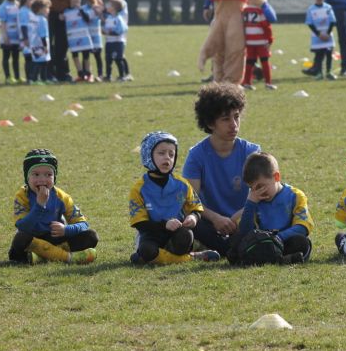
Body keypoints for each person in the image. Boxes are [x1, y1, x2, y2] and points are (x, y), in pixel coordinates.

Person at [183, 83, 261, 256]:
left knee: (267, 212)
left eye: (236, 116)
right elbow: (189, 201)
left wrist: (241, 216)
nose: (234, 124)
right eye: (226, 119)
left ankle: (222, 248)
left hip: (245, 220)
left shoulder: (252, 152)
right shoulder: (196, 156)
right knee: (189, 222)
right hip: (210, 223)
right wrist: (216, 218)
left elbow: (265, 192)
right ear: (210, 123)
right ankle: (232, 247)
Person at [129, 132, 221, 265]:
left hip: (176, 233)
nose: (167, 158)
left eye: (171, 154)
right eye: (161, 153)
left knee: (186, 235)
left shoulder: (182, 184)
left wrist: (193, 217)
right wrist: (165, 224)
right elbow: (140, 224)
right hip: (151, 234)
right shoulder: (138, 189)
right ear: (148, 155)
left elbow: (195, 207)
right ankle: (192, 257)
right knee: (147, 249)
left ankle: (152, 258)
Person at [9, 149, 99, 265]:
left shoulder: (61, 197)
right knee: (20, 238)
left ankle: (42, 257)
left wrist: (66, 230)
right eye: (36, 174)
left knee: (91, 236)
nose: (42, 179)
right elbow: (23, 226)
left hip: (54, 238)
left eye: (48, 175)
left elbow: (83, 224)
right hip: (32, 239)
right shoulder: (22, 196)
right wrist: (40, 205)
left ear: (54, 177)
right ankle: (66, 257)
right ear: (27, 177)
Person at [236, 152, 313, 264]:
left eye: (260, 186)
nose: (256, 191)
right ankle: (281, 260)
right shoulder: (254, 199)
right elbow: (245, 232)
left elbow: (303, 226)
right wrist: (250, 203)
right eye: (251, 188)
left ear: (276, 177)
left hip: (285, 242)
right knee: (236, 241)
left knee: (302, 242)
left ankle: (276, 259)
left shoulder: (295, 196)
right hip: (261, 244)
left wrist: (277, 238)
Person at [197, 0, 264, 84]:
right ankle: (220, 80)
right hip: (220, 14)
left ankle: (230, 81)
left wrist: (263, 4)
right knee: (220, 50)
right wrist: (207, 4)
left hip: (233, 15)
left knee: (233, 49)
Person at [34, 0, 100, 82]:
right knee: (49, 43)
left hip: (65, 14)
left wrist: (94, 5)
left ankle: (63, 73)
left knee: (63, 44)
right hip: (49, 14)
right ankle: (49, 73)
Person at [241, 0, 278, 90]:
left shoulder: (244, 10)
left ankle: (247, 82)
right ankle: (268, 83)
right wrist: (270, 40)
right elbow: (266, 27)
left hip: (249, 41)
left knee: (250, 62)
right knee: (265, 62)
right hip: (261, 41)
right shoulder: (260, 11)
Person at [302, 0, 337, 80]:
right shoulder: (311, 9)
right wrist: (319, 34)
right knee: (319, 55)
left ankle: (329, 72)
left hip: (328, 36)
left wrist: (328, 33)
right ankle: (319, 73)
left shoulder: (328, 8)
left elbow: (332, 21)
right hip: (317, 37)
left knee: (329, 54)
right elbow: (310, 23)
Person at [60, 0, 93, 82]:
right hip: (73, 37)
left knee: (86, 56)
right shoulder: (66, 11)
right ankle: (80, 73)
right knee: (75, 55)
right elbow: (62, 20)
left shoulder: (83, 9)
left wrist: (80, 10)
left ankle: (88, 74)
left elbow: (87, 19)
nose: (76, 0)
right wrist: (60, 18)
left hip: (84, 36)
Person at [107, 0, 133, 81]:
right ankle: (125, 74)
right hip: (112, 34)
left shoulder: (122, 3)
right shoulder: (111, 4)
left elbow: (119, 15)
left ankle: (127, 74)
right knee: (119, 55)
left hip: (120, 32)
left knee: (120, 55)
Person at [0, 0, 21, 85]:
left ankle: (17, 77)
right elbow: (2, 23)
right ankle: (8, 77)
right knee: (6, 57)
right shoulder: (3, 7)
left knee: (16, 57)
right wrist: (5, 36)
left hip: (16, 36)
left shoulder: (18, 5)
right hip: (7, 36)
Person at [102, 0, 128, 82]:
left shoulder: (118, 19)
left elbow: (121, 30)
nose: (107, 5)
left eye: (109, 4)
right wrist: (103, 31)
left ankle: (122, 76)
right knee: (108, 59)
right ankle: (108, 76)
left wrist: (110, 32)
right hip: (109, 42)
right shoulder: (108, 17)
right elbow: (105, 28)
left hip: (117, 43)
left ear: (114, 8)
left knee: (118, 59)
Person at [29, 0, 53, 84]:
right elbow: (43, 34)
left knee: (39, 62)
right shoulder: (42, 20)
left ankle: (43, 79)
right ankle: (34, 79)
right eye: (47, 8)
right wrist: (45, 46)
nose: (48, 10)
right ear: (40, 9)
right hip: (41, 44)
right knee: (41, 63)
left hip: (34, 44)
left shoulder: (33, 18)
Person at [83, 0, 104, 81]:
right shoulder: (83, 8)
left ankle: (100, 74)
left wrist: (100, 8)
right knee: (86, 56)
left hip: (96, 36)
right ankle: (87, 74)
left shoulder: (100, 9)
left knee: (97, 56)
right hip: (86, 35)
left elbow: (103, 18)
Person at [18, 0, 37, 82]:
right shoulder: (23, 11)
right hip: (26, 39)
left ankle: (33, 77)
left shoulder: (32, 10)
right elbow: (23, 26)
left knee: (34, 58)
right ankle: (29, 78)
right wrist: (25, 39)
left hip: (33, 39)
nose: (32, 1)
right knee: (28, 58)